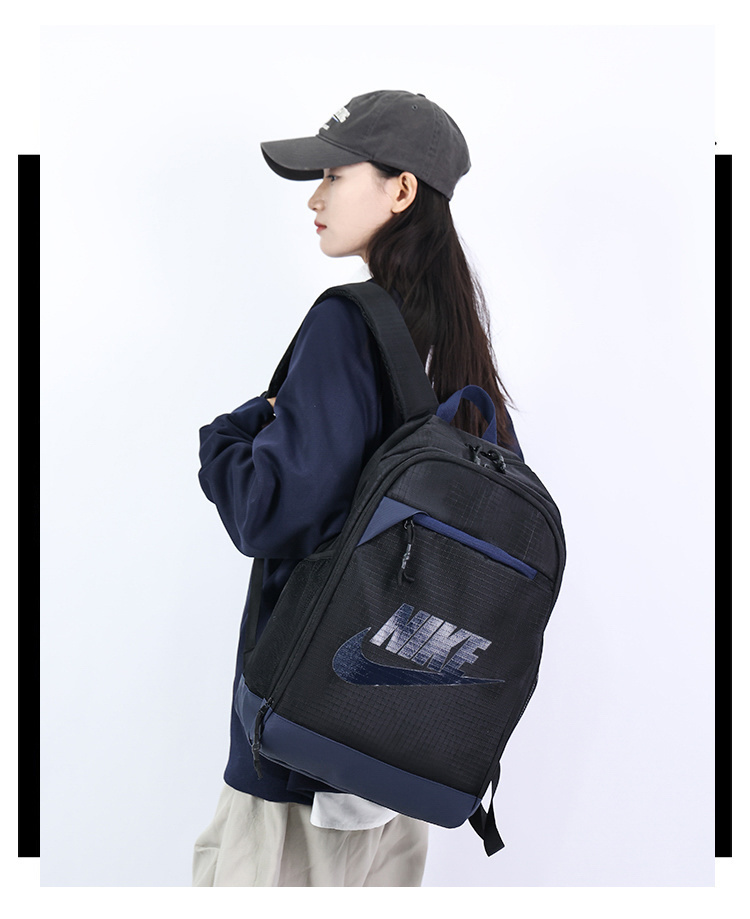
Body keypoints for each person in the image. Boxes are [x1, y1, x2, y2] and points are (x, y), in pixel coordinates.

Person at [192, 89, 522, 887]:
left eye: (335, 176)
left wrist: (231, 432)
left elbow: (268, 511)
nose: (315, 198)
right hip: (401, 756)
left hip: (301, 755)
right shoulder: (462, 346)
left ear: (401, 190)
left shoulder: (349, 324)